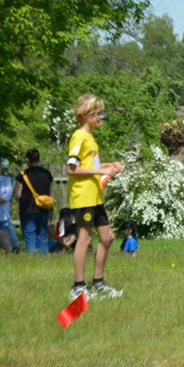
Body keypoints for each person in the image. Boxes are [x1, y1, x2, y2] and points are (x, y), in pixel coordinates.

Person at [66, 94, 124, 301]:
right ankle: (78, 287)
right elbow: (72, 169)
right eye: (97, 113)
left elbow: (91, 167)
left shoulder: (91, 138)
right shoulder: (79, 137)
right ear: (84, 115)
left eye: (101, 112)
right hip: (83, 197)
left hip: (95, 197)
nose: (101, 117)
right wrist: (100, 172)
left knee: (107, 237)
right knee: (85, 238)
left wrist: (110, 166)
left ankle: (98, 283)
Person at [16, 149, 54, 255]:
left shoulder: (23, 175)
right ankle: (43, 258)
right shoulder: (47, 174)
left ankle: (32, 259)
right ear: (39, 159)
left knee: (30, 236)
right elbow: (51, 195)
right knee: (42, 236)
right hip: (44, 210)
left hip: (27, 210)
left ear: (27, 159)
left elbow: (17, 194)